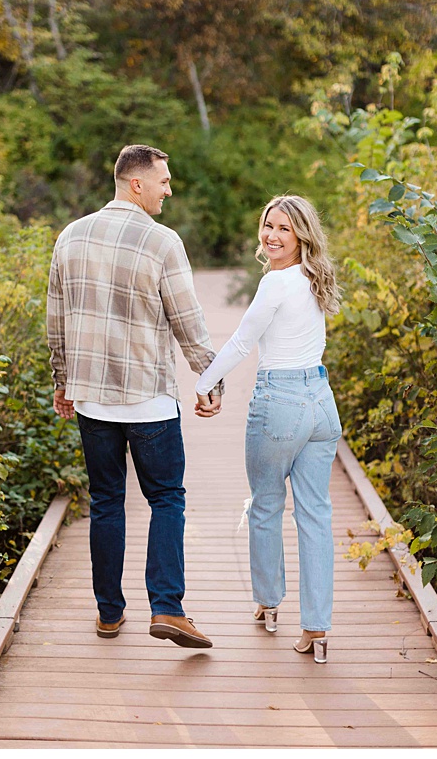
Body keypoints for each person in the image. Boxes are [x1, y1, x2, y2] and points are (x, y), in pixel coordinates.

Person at [47, 144, 224, 649]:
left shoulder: (70, 237)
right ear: (137, 183)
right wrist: (209, 379)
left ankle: (109, 613)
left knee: (107, 501)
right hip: (148, 400)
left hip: (92, 401)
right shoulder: (163, 242)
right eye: (164, 181)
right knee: (166, 498)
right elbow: (188, 323)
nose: (170, 189)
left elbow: (56, 320)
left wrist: (62, 381)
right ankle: (167, 608)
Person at [194, 194, 342, 663]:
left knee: (265, 505)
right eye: (268, 226)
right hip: (321, 401)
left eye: (283, 228)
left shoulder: (276, 283)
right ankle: (317, 628)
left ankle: (268, 604)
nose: (272, 236)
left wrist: (204, 382)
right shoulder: (315, 276)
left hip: (279, 401)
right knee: (315, 516)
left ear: (301, 234)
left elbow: (241, 342)